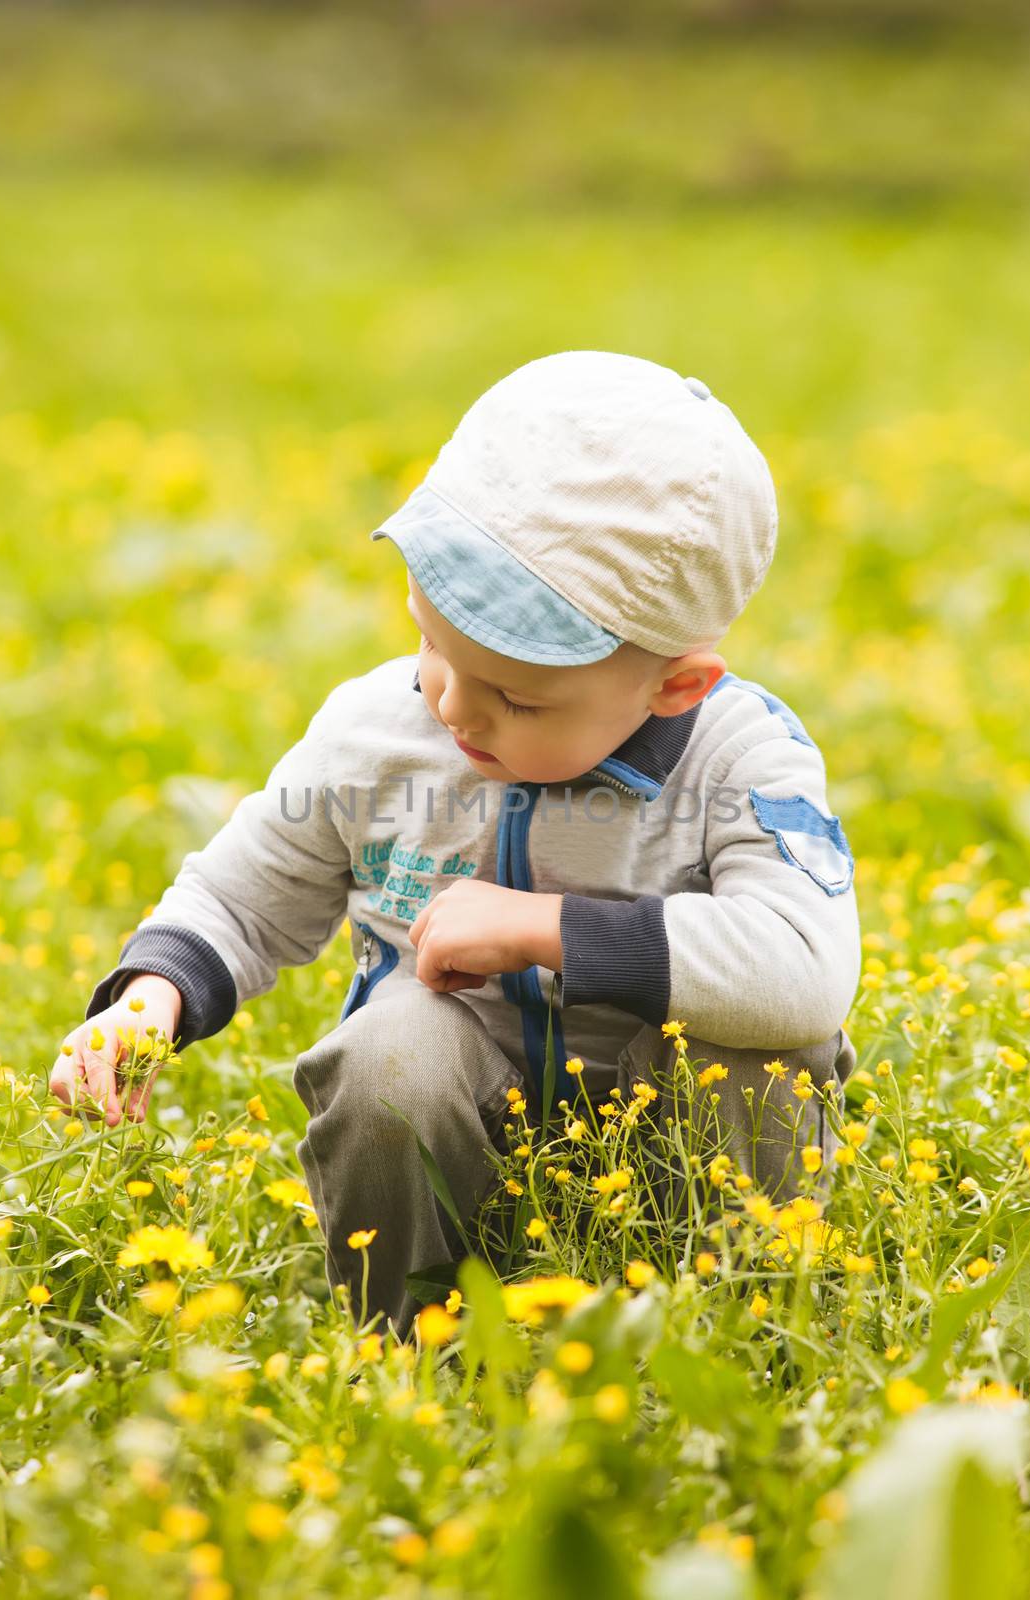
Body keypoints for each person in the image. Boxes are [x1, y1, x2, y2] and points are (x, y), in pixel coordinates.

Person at [52, 350, 861, 1336]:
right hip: (460, 1102)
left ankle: (730, 1323)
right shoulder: (376, 728)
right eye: (432, 641)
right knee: (393, 1052)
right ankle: (406, 1338)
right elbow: (243, 892)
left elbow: (804, 971)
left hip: (673, 1134)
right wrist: (152, 997)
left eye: (516, 696)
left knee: (760, 1054)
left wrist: (550, 928)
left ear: (673, 685)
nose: (448, 704)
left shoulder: (738, 757)